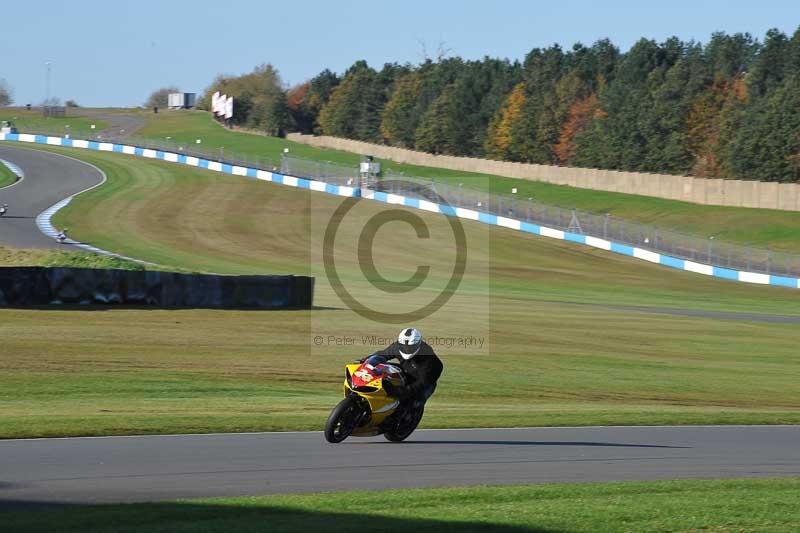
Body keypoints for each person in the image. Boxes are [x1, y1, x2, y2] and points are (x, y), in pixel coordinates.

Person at [364, 328, 443, 409]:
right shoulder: (397, 347)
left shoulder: (430, 361)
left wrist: (398, 391)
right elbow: (382, 354)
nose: (406, 349)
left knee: (414, 402)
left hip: (424, 381)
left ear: (418, 344)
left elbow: (420, 384)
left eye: (410, 347)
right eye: (403, 346)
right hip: (406, 370)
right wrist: (364, 361)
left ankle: (407, 417)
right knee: (383, 368)